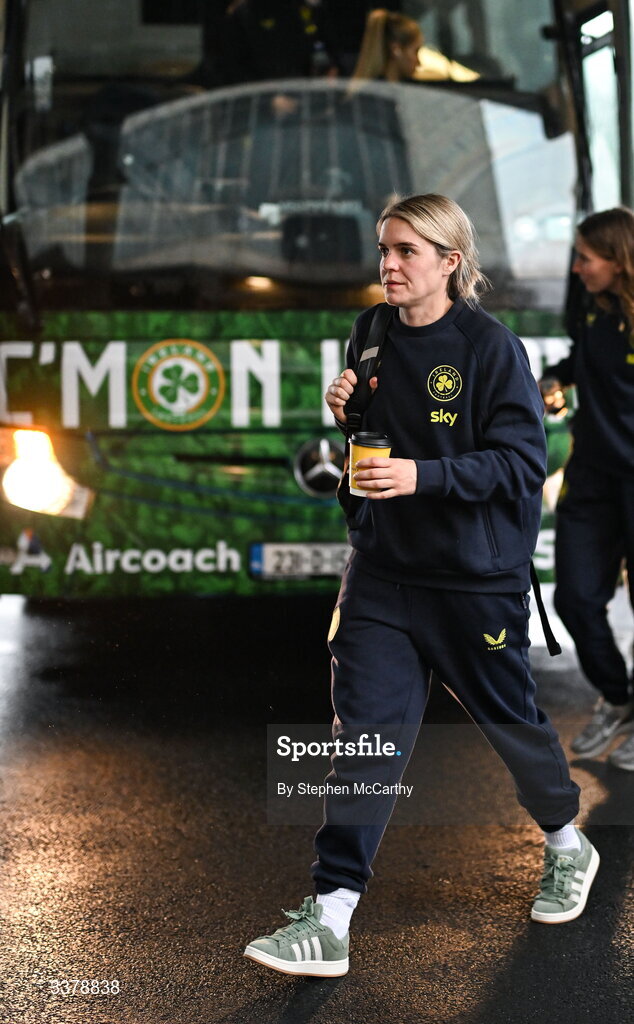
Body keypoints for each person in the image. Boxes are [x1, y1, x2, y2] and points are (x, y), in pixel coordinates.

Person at [243, 194, 599, 977]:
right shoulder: (370, 331)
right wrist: (347, 411)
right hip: (381, 574)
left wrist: (421, 473)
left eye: (407, 251)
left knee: (511, 724)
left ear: (451, 262)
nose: (390, 265)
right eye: (385, 250)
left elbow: (520, 463)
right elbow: (375, 431)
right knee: (362, 740)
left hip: (472, 582)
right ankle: (330, 915)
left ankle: (567, 843)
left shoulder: (490, 348)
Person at [540, 208, 634, 771]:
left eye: (586, 258)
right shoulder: (593, 311)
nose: (577, 269)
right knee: (573, 597)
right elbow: (583, 360)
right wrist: (558, 377)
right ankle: (619, 700)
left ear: (619, 261)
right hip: (593, 477)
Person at [350, 8, 479, 85]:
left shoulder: (379, 91)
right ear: (396, 50)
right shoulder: (382, 100)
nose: (419, 62)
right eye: (415, 51)